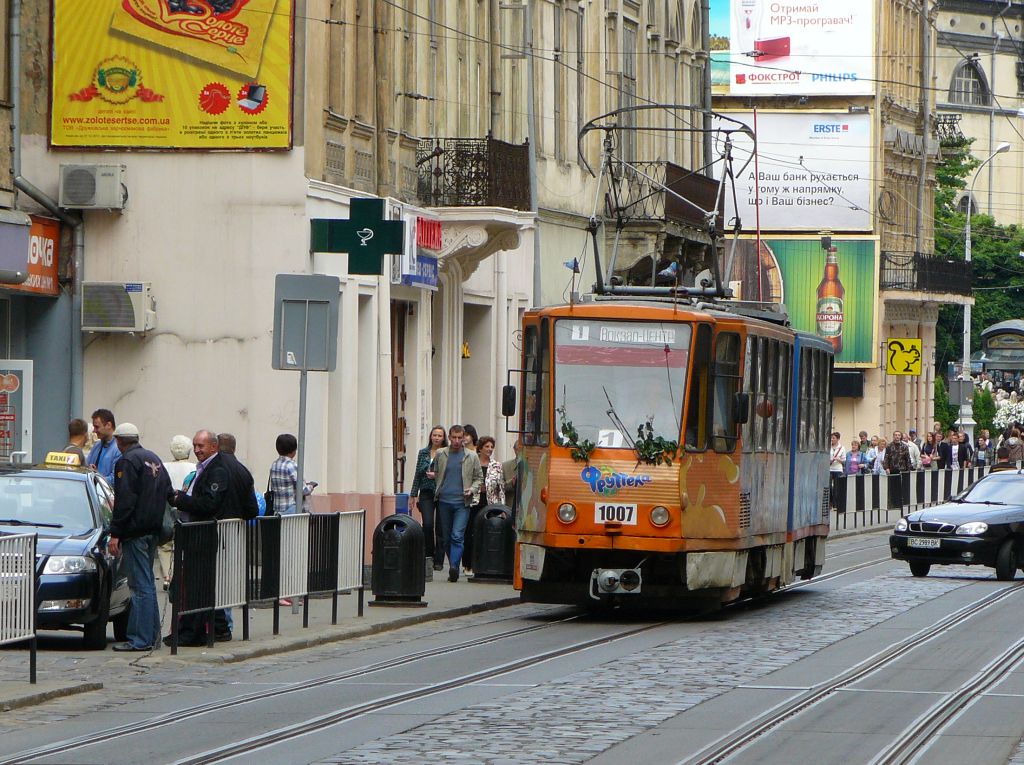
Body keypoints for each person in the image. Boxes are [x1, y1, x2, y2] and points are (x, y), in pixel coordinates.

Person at [107, 423, 172, 652]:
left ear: (119, 441)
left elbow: (124, 501)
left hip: (135, 531)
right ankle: (151, 635)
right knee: (147, 585)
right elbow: (168, 491)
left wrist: (116, 532)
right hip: (152, 530)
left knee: (140, 586)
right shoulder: (153, 458)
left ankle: (141, 639)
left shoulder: (126, 462)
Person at [166, 429, 234, 645]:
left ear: (213, 446)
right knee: (190, 587)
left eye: (201, 446)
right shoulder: (203, 468)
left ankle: (192, 633)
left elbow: (209, 503)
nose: (197, 450)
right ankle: (185, 629)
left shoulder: (218, 470)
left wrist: (181, 500)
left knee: (198, 587)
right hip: (193, 533)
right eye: (195, 446)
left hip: (203, 535)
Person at [432, 424, 483, 582]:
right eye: (453, 437)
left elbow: (479, 478)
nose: (456, 441)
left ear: (464, 438)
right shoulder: (441, 454)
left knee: (457, 536)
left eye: (460, 438)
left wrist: (472, 489)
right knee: (446, 538)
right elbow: (437, 472)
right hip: (444, 501)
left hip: (462, 502)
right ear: (449, 437)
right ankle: (453, 563)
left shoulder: (471, 456)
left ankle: (454, 567)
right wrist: (434, 480)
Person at [409, 426, 447, 572]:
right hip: (425, 492)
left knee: (441, 527)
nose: (437, 438)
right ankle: (428, 556)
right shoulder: (423, 452)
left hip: (442, 492)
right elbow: (417, 474)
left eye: (440, 435)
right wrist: (413, 494)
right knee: (428, 524)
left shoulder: (446, 453)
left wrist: (436, 475)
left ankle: (439, 560)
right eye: (434, 435)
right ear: (431, 436)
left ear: (444, 438)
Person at [269, 433, 314, 516]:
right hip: (291, 510)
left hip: (277, 510)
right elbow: (303, 490)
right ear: (293, 450)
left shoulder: (274, 465)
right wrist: (311, 486)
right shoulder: (292, 466)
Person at [87, 408, 121, 486]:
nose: (94, 431)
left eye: (97, 427)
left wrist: (96, 476)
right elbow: (86, 467)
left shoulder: (119, 449)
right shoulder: (97, 446)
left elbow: (115, 480)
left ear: (108, 425)